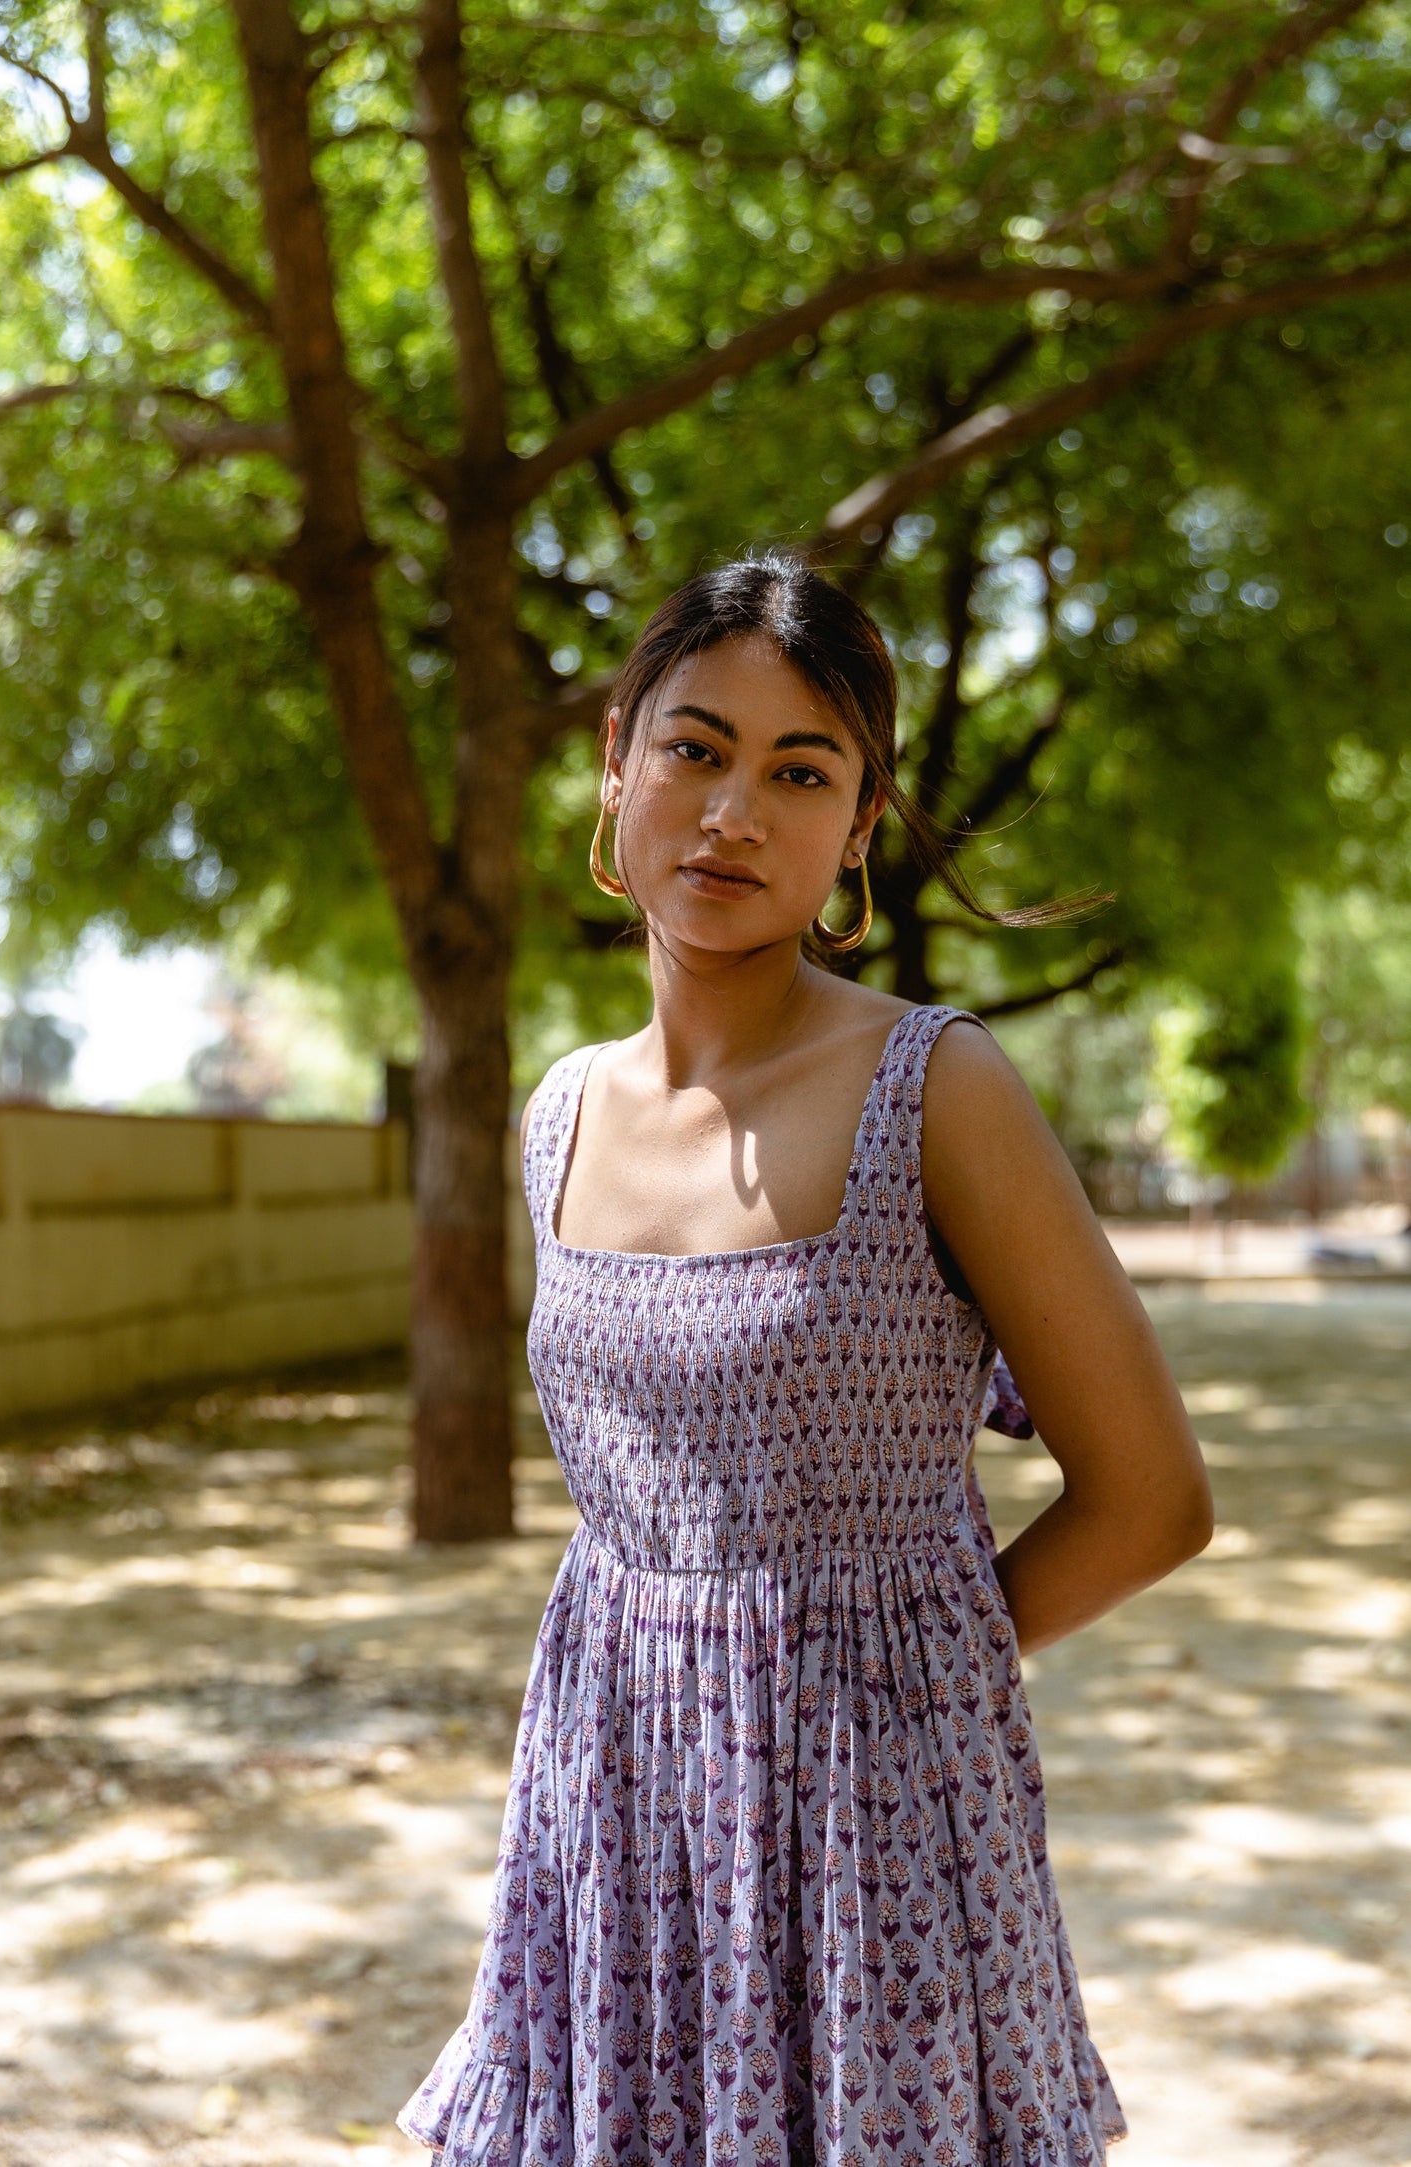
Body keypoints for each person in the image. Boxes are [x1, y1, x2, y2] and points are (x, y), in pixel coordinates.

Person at [397, 552, 1214, 2166]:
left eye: (799, 772)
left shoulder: (937, 1089)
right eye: (695, 750)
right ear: (616, 760)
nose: (731, 813)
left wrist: (896, 1672)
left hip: (877, 1826)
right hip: (614, 1803)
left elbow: (1151, 1498)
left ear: (854, 827)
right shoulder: (556, 1111)